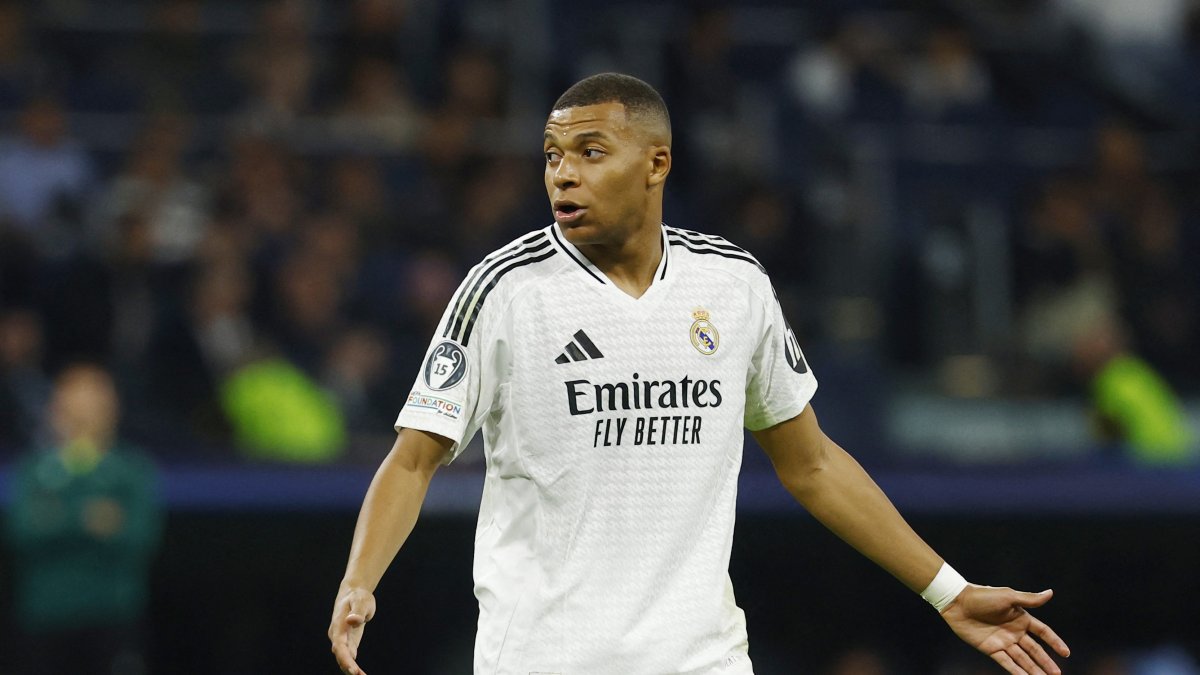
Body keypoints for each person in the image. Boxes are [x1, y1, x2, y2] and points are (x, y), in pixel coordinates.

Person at [329, 73, 1071, 675]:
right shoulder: (504, 289)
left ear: (657, 163)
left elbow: (811, 463)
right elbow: (413, 457)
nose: (563, 174)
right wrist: (361, 578)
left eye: (590, 151)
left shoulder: (732, 286)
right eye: (553, 155)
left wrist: (946, 589)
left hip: (701, 660)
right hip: (543, 659)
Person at [4, 363, 163, 675]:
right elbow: (22, 533)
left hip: (112, 618)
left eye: (94, 405)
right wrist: (90, 519)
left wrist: (55, 518)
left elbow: (137, 537)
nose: (84, 416)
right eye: (74, 405)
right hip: (44, 619)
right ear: (55, 410)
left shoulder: (132, 470)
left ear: (111, 409)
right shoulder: (33, 471)